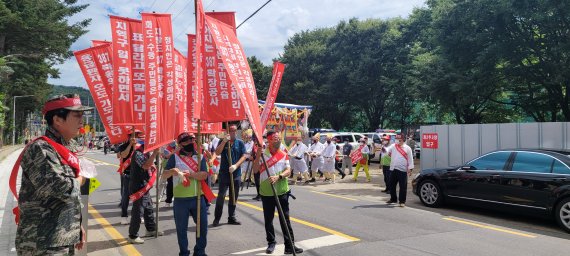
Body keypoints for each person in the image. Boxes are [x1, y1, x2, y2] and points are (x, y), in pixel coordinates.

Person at [15, 94, 92, 255]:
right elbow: (61, 189)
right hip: (42, 243)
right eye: (77, 115)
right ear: (57, 120)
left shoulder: (62, 147)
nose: (81, 121)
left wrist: (77, 225)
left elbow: (65, 200)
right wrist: (79, 180)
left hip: (60, 238)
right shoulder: (41, 149)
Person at [253, 131, 303, 255]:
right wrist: (258, 153)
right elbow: (255, 170)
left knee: (285, 219)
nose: (279, 140)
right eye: (275, 138)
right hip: (267, 193)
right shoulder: (263, 155)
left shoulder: (283, 154)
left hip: (282, 191)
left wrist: (279, 176)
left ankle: (289, 245)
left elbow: (288, 171)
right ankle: (271, 243)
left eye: (279, 138)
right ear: (269, 140)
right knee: (268, 220)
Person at [163, 133, 211, 256]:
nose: (190, 142)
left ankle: (200, 251)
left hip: (198, 198)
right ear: (181, 144)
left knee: (203, 227)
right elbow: (163, 175)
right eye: (187, 141)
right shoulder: (174, 157)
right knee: (181, 229)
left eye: (192, 140)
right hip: (180, 200)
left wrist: (191, 174)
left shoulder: (199, 157)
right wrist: (172, 171)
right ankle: (184, 252)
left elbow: (204, 175)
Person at [128, 137, 162, 244]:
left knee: (148, 208)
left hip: (144, 184)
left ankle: (150, 229)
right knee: (138, 211)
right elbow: (146, 165)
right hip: (138, 186)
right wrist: (154, 154)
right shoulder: (138, 153)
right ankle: (133, 235)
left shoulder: (145, 152)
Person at [213, 125, 248, 227]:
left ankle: (231, 217)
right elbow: (217, 152)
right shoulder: (222, 141)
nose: (233, 133)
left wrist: (236, 165)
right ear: (227, 132)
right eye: (231, 131)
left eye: (234, 131)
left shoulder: (240, 142)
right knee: (221, 196)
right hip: (224, 174)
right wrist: (224, 141)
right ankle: (217, 218)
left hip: (236, 174)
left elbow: (244, 155)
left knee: (233, 196)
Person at [117, 129, 144, 225]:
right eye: (132, 135)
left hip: (139, 174)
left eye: (136, 135)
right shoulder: (122, 146)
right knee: (126, 197)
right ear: (128, 136)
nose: (134, 137)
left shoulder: (141, 146)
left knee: (139, 196)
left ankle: (139, 215)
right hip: (128, 174)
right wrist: (130, 145)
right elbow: (123, 155)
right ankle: (124, 216)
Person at [386, 134, 414, 207]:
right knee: (391, 185)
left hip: (402, 170)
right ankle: (393, 199)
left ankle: (402, 201)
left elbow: (410, 159)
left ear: (403, 140)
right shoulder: (393, 146)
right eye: (396, 139)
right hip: (393, 168)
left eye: (399, 140)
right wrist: (385, 145)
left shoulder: (407, 148)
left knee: (403, 186)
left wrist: (410, 169)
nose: (398, 141)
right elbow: (387, 150)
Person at [162, 140, 179, 207]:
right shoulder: (167, 147)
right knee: (170, 184)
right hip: (170, 166)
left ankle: (177, 198)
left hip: (179, 166)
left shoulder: (180, 145)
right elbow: (166, 156)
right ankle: (168, 200)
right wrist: (175, 151)